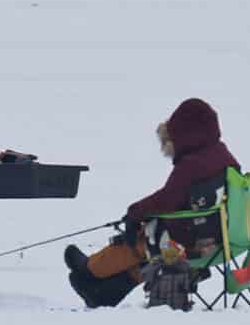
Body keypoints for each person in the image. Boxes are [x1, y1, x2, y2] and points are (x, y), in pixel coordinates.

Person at [65, 97, 238, 309]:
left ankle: (89, 270)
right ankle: (107, 291)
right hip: (222, 237)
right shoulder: (223, 154)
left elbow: (166, 200)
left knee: (142, 239)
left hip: (191, 243)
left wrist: (133, 214)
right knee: (155, 245)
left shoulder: (192, 165)